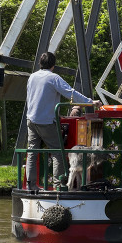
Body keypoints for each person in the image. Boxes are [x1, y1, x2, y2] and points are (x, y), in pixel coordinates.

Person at [25, 51, 102, 190]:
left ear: (40, 63)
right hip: (47, 121)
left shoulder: (32, 77)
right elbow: (70, 93)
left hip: (31, 119)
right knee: (57, 152)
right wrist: (91, 102)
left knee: (32, 152)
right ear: (53, 65)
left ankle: (31, 186)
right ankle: (57, 186)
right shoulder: (53, 78)